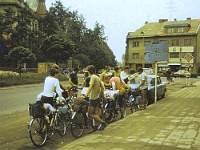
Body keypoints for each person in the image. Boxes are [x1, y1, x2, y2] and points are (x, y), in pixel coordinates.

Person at [83, 65, 107, 130]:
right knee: (96, 113)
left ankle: (102, 123)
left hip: (93, 98)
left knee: (90, 114)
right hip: (97, 97)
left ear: (89, 71)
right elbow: (102, 87)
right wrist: (100, 94)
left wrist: (86, 94)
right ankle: (96, 127)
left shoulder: (93, 77)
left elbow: (90, 87)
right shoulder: (97, 77)